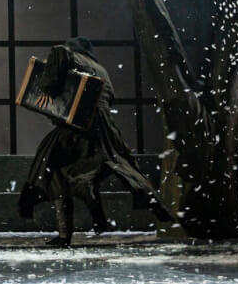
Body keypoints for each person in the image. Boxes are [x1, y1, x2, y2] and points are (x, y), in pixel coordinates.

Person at [18, 37, 165, 246]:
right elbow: (109, 97)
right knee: (111, 164)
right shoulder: (101, 69)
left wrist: (45, 90)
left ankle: (68, 230)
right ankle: (92, 211)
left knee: (53, 168)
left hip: (78, 126)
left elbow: (52, 79)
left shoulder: (66, 53)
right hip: (104, 127)